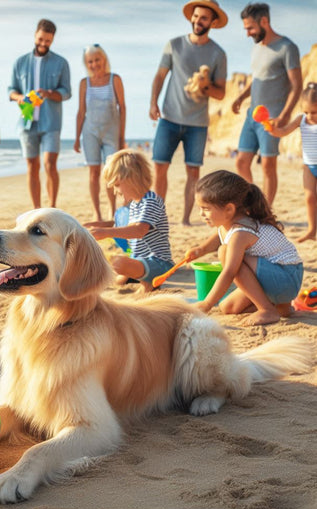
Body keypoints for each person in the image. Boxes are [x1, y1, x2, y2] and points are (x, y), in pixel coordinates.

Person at [186, 170, 303, 326]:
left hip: (286, 279)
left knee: (225, 252)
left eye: (206, 209)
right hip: (278, 279)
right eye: (200, 208)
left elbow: (229, 272)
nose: (201, 214)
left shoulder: (240, 233)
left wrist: (206, 304)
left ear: (229, 209)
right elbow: (218, 238)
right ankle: (280, 308)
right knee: (227, 307)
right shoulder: (228, 225)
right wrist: (201, 249)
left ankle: (267, 309)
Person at [149, 0, 227, 225]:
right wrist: (153, 103)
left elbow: (221, 93)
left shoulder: (218, 54)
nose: (197, 21)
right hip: (169, 117)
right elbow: (160, 76)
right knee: (159, 167)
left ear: (212, 21)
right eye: (195, 16)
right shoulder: (174, 45)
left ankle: (185, 219)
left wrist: (205, 87)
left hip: (198, 123)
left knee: (193, 173)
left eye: (203, 18)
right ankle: (158, 217)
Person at [231, 2, 302, 206]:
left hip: (273, 117)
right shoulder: (256, 49)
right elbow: (257, 77)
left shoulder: (287, 47)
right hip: (252, 115)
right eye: (245, 28)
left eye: (250, 28)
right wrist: (241, 97)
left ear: (265, 21)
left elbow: (296, 85)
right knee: (241, 162)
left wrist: (285, 115)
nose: (247, 33)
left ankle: (266, 210)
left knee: (268, 166)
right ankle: (253, 202)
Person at [86, 149, 173, 292]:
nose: (115, 191)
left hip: (158, 262)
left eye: (117, 185)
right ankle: (143, 280)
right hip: (139, 259)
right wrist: (93, 225)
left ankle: (149, 284)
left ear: (132, 178)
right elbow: (118, 224)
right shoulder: (135, 204)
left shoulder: (150, 201)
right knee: (118, 279)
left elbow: (138, 230)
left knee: (117, 264)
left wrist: (105, 232)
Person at [9, 19, 71, 209]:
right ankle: (36, 210)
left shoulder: (61, 63)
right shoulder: (19, 62)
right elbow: (11, 91)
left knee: (50, 164)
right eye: (41, 39)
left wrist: (49, 93)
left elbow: (67, 92)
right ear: (35, 35)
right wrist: (20, 98)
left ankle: (51, 208)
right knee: (32, 166)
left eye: (48, 41)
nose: (43, 44)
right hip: (27, 121)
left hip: (51, 122)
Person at [74, 44, 126, 221]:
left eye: (97, 59)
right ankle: (97, 212)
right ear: (86, 64)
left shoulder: (115, 79)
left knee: (112, 173)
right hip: (90, 133)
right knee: (94, 173)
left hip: (111, 132)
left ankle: (112, 209)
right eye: (90, 61)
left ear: (104, 59)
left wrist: (122, 137)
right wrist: (76, 137)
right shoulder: (84, 83)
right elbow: (81, 112)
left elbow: (122, 108)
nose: (94, 64)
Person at [269, 83, 317, 243]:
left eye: (314, 112)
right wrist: (272, 129)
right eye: (306, 112)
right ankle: (311, 230)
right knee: (309, 197)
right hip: (309, 166)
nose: (310, 115)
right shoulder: (301, 119)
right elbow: (283, 131)